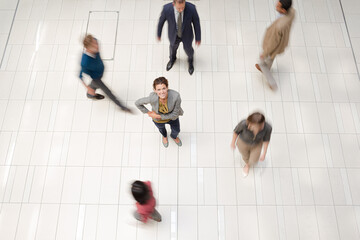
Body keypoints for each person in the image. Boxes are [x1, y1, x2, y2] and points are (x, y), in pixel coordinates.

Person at [79, 34, 132, 112]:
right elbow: (80, 76)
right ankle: (122, 106)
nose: (96, 46)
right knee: (108, 92)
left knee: (94, 85)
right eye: (93, 46)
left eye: (96, 43)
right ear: (87, 48)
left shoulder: (94, 40)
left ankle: (90, 93)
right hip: (96, 77)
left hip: (100, 72)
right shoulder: (85, 62)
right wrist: (88, 88)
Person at [255, 0, 295, 90]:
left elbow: (272, 44)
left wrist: (264, 53)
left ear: (284, 10)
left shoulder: (278, 27)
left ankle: (271, 82)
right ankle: (267, 66)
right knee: (271, 58)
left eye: (278, 6)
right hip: (282, 42)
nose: (276, 6)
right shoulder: (292, 12)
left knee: (263, 61)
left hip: (274, 45)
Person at [135, 77, 183, 147]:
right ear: (155, 90)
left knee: (176, 130)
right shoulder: (152, 97)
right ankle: (164, 136)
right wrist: (148, 112)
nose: (162, 92)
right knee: (161, 129)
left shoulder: (176, 96)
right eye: (158, 89)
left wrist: (158, 116)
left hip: (172, 118)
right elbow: (137, 103)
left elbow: (175, 114)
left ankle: (174, 136)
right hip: (158, 120)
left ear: (167, 88)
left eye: (164, 88)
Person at [157, 0, 201, 75]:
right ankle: (172, 59)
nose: (181, 10)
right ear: (173, 4)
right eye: (179, 8)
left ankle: (190, 61)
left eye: (183, 7)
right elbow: (161, 22)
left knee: (188, 49)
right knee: (172, 48)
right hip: (174, 34)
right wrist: (159, 34)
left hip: (187, 34)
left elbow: (196, 23)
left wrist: (198, 37)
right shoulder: (166, 9)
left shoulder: (192, 8)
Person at [230, 112, 272, 177]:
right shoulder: (244, 124)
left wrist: (264, 153)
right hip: (243, 143)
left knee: (254, 160)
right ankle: (247, 165)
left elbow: (266, 140)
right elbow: (236, 132)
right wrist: (233, 142)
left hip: (257, 145)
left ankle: (248, 164)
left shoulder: (267, 128)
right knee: (245, 156)